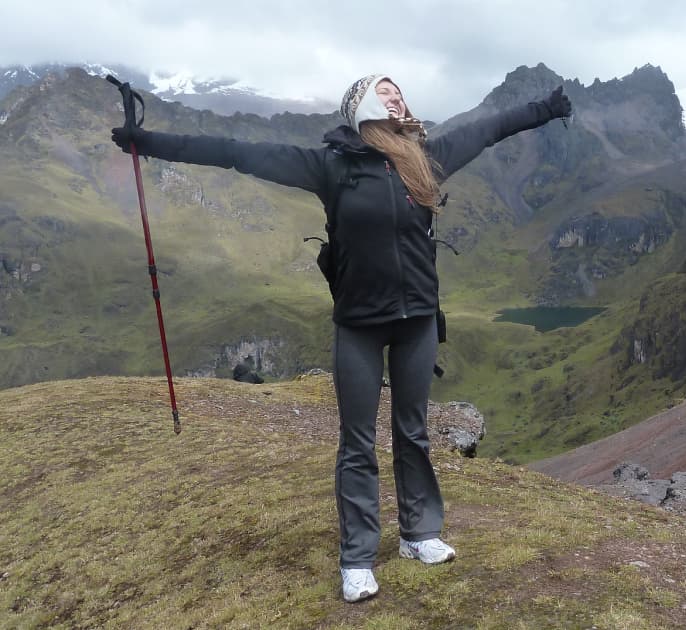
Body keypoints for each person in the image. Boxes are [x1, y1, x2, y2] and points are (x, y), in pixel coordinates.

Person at [112, 74, 572, 603]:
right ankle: (357, 557)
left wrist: (547, 107)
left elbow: (492, 128)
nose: (399, 98)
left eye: (400, 91)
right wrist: (145, 142)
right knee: (357, 441)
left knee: (413, 432)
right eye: (387, 91)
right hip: (358, 322)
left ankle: (419, 534)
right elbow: (234, 152)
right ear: (362, 106)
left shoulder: (426, 156)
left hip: (417, 318)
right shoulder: (330, 166)